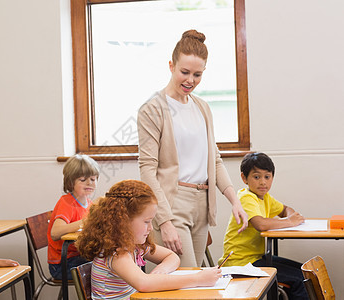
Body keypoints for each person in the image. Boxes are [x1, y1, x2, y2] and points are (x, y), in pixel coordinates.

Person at [137, 29, 248, 267]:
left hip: (203, 204)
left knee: (194, 283)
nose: (190, 80)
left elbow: (214, 160)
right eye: (184, 72)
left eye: (197, 74)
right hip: (173, 203)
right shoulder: (153, 109)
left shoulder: (202, 107)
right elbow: (147, 171)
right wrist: (164, 221)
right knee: (184, 281)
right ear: (171, 66)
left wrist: (234, 200)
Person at [76, 179, 222, 299]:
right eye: (147, 221)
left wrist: (161, 270)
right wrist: (198, 279)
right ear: (123, 221)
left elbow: (171, 256)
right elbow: (143, 284)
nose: (151, 228)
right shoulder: (116, 253)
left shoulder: (134, 246)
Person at [219, 152, 308, 299]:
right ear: (244, 178)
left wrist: (291, 216)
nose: (263, 182)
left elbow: (285, 209)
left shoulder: (265, 197)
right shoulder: (246, 197)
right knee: (300, 280)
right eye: (256, 177)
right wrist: (290, 221)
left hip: (256, 258)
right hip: (242, 263)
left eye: (267, 177)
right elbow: (260, 224)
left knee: (305, 270)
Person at [47, 154, 100, 280]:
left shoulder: (89, 203)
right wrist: (85, 222)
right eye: (83, 180)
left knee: (112, 261)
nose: (89, 183)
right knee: (107, 268)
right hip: (62, 265)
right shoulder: (67, 203)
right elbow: (55, 233)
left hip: (77, 257)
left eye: (93, 179)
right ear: (70, 183)